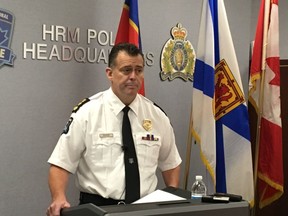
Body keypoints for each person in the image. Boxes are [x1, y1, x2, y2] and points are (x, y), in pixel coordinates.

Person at [46, 43, 182, 216]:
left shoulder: (157, 116)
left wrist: (172, 200)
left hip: (145, 210)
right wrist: (58, 198)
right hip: (98, 209)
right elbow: (60, 164)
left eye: (138, 70)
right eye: (126, 70)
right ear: (110, 73)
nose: (133, 76)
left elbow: (171, 163)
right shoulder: (87, 113)